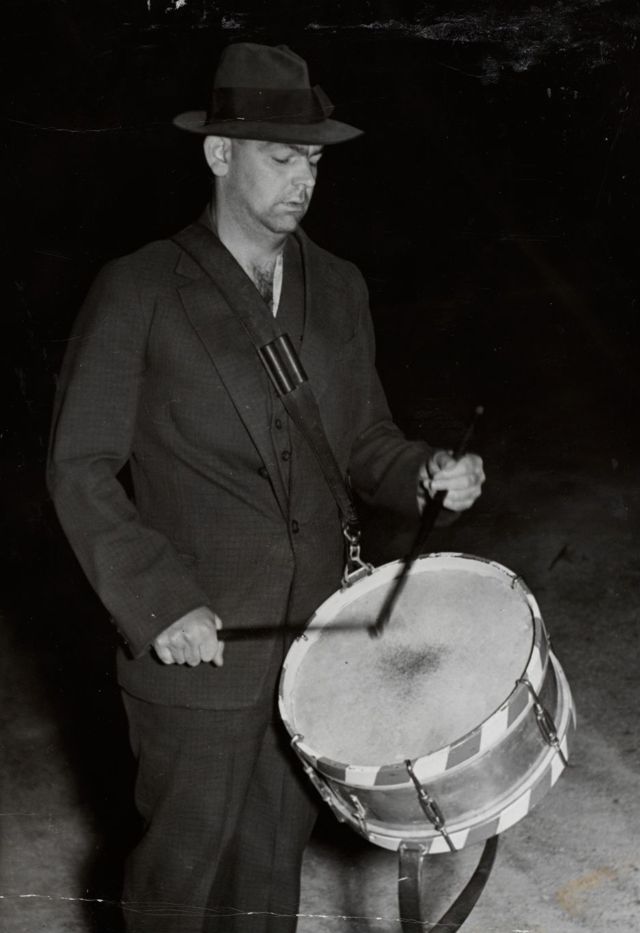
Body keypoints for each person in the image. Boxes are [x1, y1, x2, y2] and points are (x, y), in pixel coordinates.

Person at [47, 42, 485, 933]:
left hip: (310, 650)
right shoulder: (139, 289)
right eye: (282, 159)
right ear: (219, 153)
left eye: (313, 162)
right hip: (196, 645)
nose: (303, 181)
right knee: (178, 886)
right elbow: (79, 465)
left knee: (268, 883)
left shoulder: (340, 286)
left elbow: (363, 440)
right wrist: (159, 600)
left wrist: (423, 473)